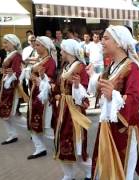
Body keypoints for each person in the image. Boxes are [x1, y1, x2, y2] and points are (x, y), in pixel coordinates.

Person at [88, 25, 139, 180]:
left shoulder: (132, 68)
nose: (102, 41)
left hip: (124, 130)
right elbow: (103, 85)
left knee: (122, 172)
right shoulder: (111, 66)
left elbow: (134, 101)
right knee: (107, 168)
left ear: (119, 43)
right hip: (108, 126)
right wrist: (94, 77)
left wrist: (112, 95)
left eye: (106, 38)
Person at [53, 39, 92, 180]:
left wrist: (76, 87)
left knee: (76, 141)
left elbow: (85, 91)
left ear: (68, 51)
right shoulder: (66, 66)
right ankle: (68, 174)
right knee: (62, 139)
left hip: (74, 109)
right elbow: (59, 85)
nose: (61, 52)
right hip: (63, 108)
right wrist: (56, 92)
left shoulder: (79, 67)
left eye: (63, 50)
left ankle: (90, 172)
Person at [26, 36, 57, 160]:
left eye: (38, 45)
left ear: (45, 47)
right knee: (33, 122)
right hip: (34, 94)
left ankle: (59, 146)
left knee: (47, 124)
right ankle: (39, 148)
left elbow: (51, 80)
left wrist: (38, 78)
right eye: (35, 44)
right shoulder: (40, 59)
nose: (35, 47)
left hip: (44, 97)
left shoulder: (50, 61)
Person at [0, 34, 24, 145]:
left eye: (6, 42)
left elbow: (18, 72)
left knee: (11, 113)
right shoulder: (10, 54)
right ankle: (12, 134)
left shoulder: (16, 55)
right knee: (6, 114)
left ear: (13, 43)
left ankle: (32, 128)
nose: (4, 45)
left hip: (12, 87)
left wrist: (11, 76)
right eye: (3, 43)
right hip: (6, 86)